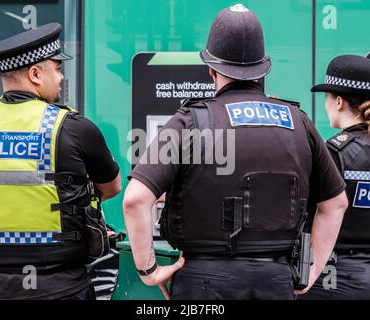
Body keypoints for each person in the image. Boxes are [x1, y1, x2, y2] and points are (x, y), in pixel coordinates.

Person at [123, 4, 347, 300]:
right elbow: (335, 203)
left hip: (203, 283)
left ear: (211, 69)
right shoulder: (299, 122)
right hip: (276, 280)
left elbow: (135, 200)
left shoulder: (190, 121)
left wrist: (149, 271)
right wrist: (311, 270)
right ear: (263, 70)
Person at [0, 23, 121, 300]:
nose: (60, 77)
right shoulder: (72, 126)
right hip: (59, 287)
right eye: (56, 69)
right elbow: (111, 187)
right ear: (35, 74)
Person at [300, 55, 370, 300]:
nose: (326, 104)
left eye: (326, 97)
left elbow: (309, 213)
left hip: (333, 277)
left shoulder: (335, 151)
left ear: (338, 101)